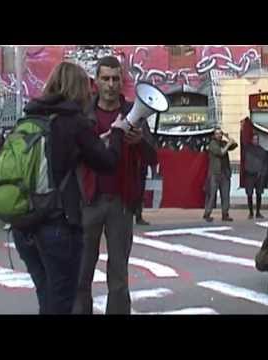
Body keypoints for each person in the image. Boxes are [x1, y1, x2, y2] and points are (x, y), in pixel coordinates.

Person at [12, 61, 125, 314]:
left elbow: (55, 157)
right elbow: (107, 162)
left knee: (47, 297)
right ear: (78, 88)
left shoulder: (30, 116)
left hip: (25, 225)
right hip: (56, 224)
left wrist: (92, 143)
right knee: (63, 300)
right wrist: (117, 133)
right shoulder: (74, 121)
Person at [73, 56, 158, 315]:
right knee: (82, 271)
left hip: (120, 202)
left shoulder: (134, 112)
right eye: (105, 78)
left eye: (115, 78)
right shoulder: (82, 113)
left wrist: (139, 141)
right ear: (95, 82)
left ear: (122, 82)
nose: (110, 84)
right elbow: (70, 155)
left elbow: (153, 157)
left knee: (119, 274)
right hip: (88, 199)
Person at [203, 128, 237, 222]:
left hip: (225, 173)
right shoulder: (212, 144)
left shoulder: (223, 142)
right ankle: (207, 213)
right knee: (212, 195)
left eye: (220, 134)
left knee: (225, 195)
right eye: (217, 134)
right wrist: (228, 144)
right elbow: (221, 153)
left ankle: (225, 214)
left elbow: (234, 144)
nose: (219, 135)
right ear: (214, 135)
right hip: (215, 173)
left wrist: (228, 137)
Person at [243, 133, 268, 219]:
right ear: (251, 140)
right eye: (254, 139)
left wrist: (262, 174)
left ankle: (258, 212)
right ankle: (250, 212)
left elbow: (265, 164)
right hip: (249, 175)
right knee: (249, 194)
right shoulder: (247, 149)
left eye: (256, 139)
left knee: (259, 194)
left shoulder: (262, 150)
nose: (255, 141)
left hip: (259, 175)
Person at [133, 160, 150, 225]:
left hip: (141, 173)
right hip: (135, 173)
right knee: (136, 196)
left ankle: (139, 217)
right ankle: (137, 217)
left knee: (139, 197)